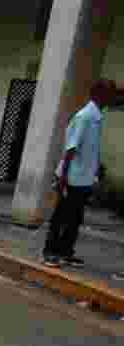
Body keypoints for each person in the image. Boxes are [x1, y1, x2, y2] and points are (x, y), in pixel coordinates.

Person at [43, 79, 117, 269]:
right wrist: (63, 179)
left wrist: (96, 168)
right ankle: (50, 252)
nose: (112, 97)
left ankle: (66, 252)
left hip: (83, 178)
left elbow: (88, 149)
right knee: (61, 217)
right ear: (98, 94)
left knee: (75, 219)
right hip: (72, 178)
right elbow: (70, 149)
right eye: (110, 93)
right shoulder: (84, 117)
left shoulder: (96, 117)